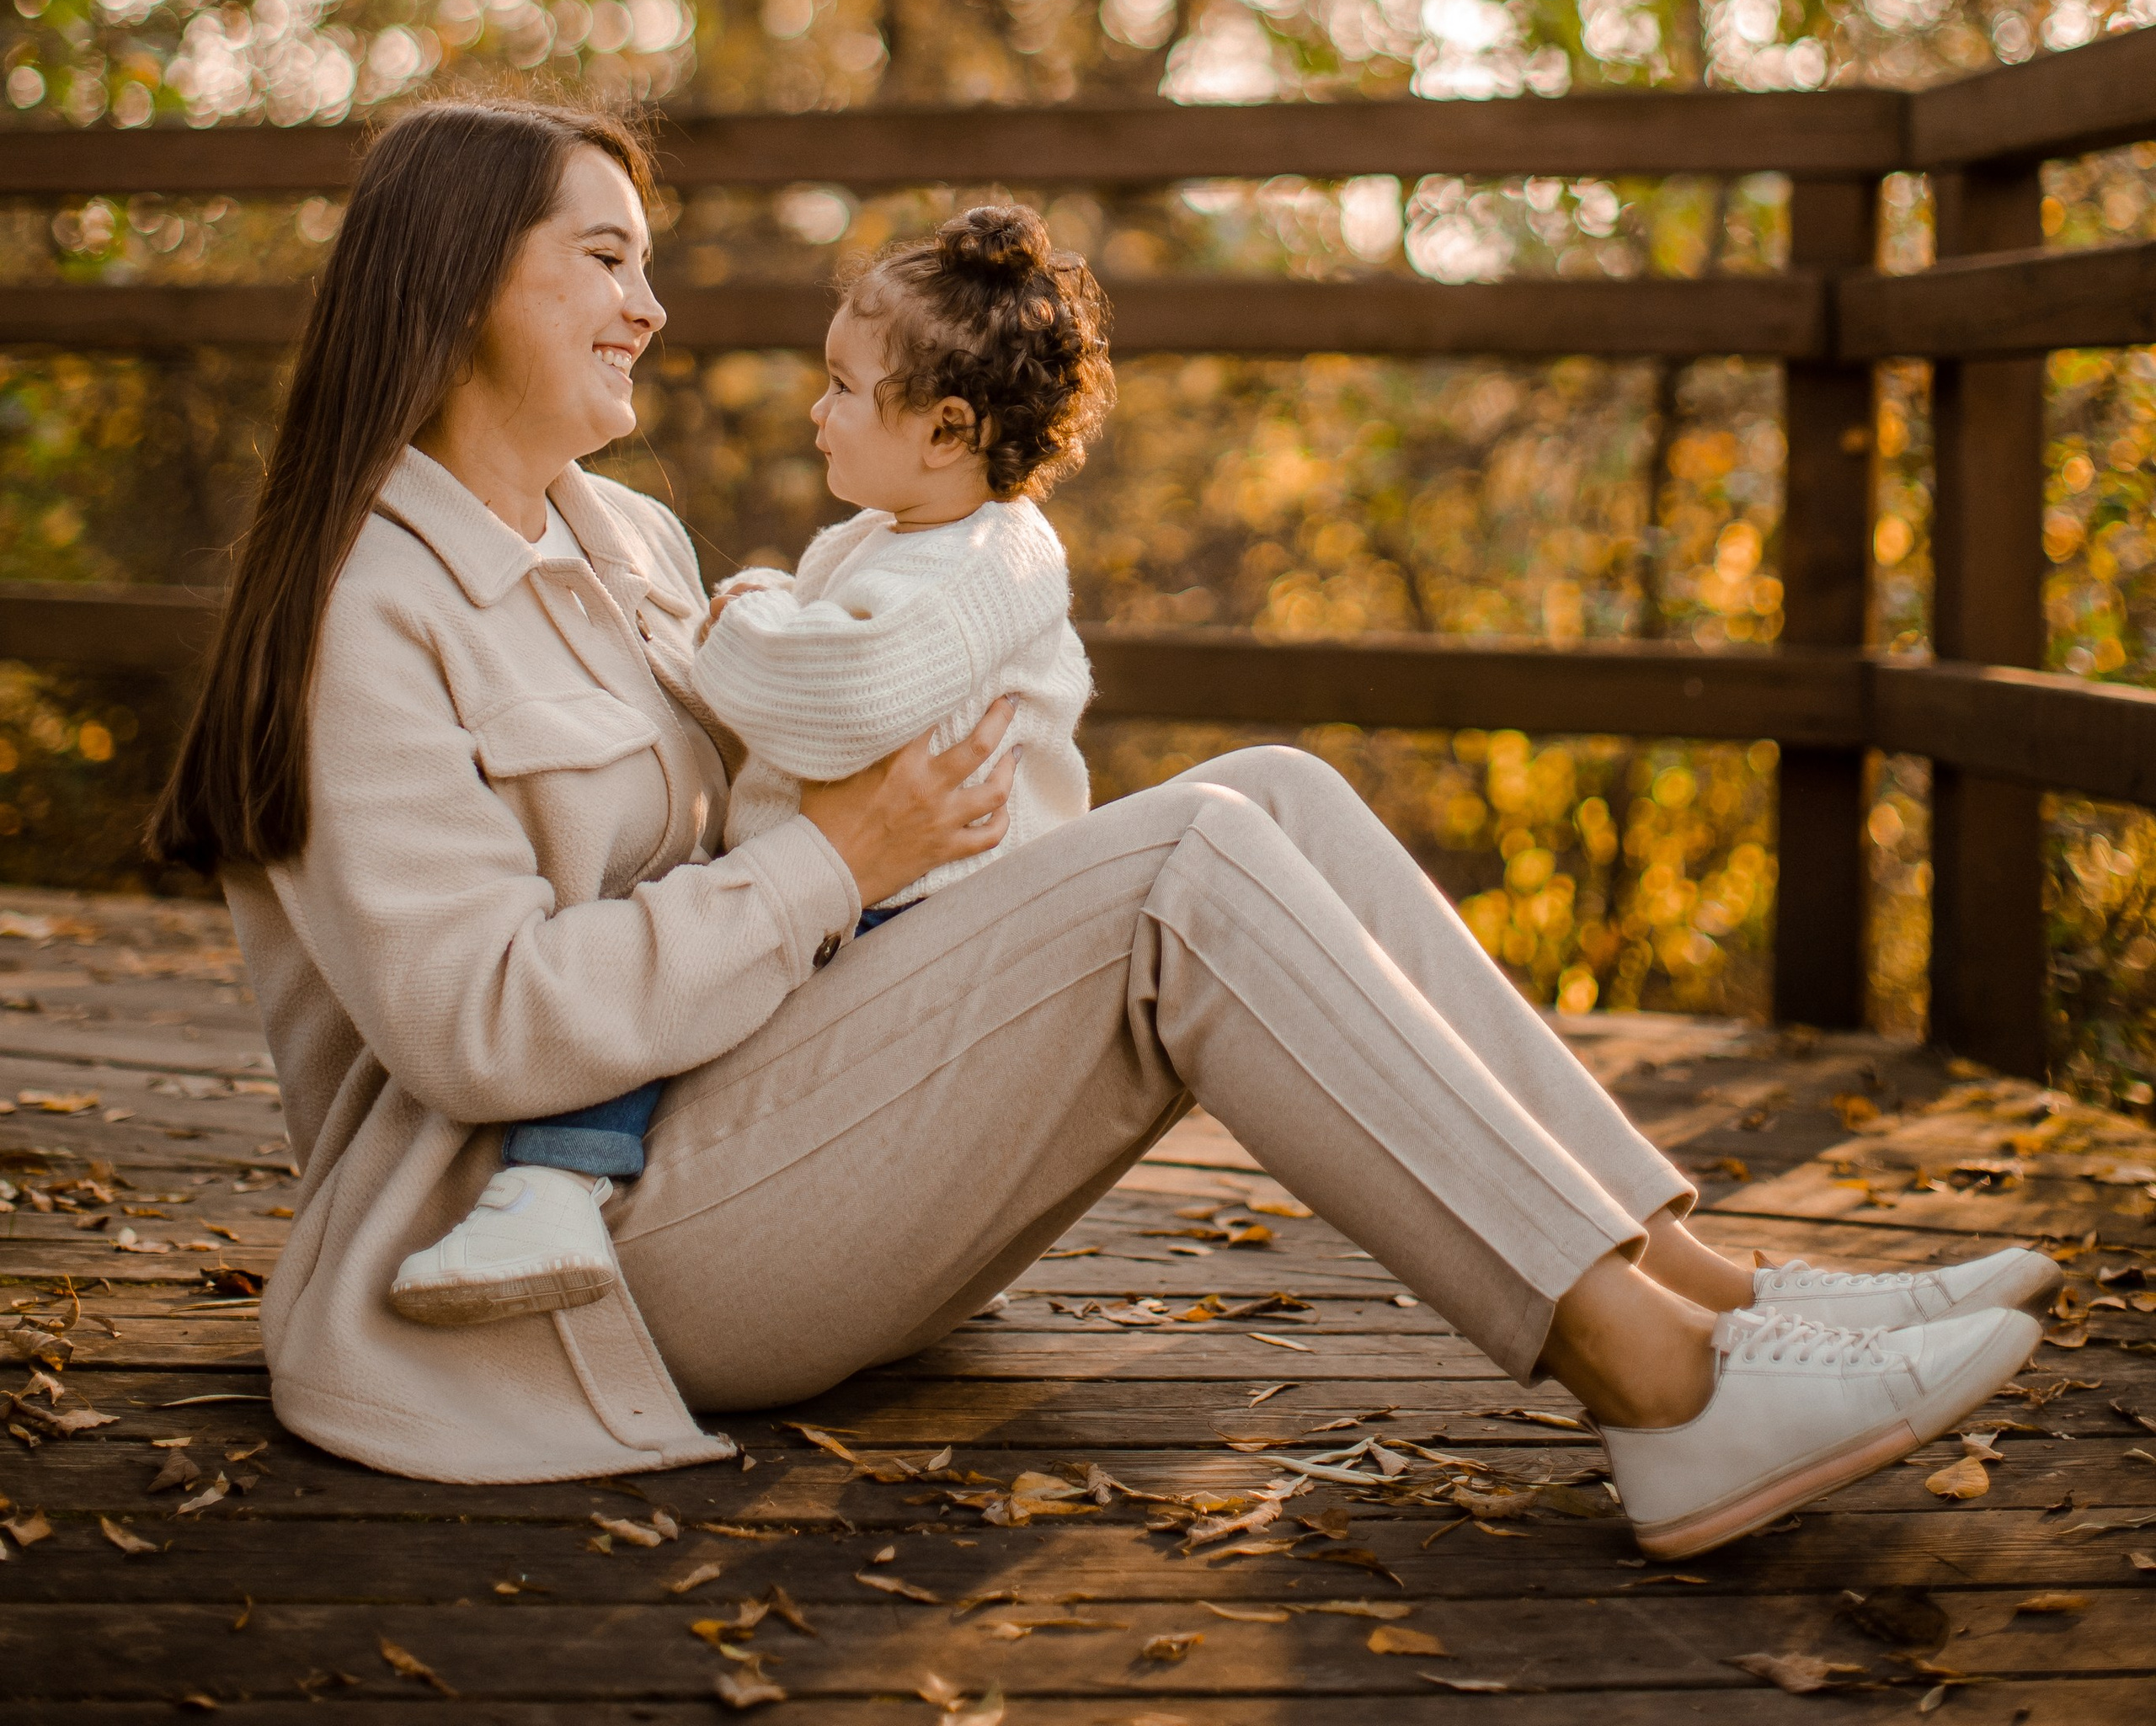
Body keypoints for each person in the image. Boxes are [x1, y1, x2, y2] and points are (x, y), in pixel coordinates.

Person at [147, 99, 2057, 1555]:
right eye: (603, 258)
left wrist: (863, 853)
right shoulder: (361, 608)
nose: (651, 304)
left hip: (760, 1121)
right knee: (1180, 869)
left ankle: (1727, 1302)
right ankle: (1656, 1390)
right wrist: (842, 865)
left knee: (1270, 797)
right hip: (567, 1256)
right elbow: (480, 1027)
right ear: (457, 281)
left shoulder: (621, 539)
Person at [388, 198, 1113, 1326]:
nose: (815, 409)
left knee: (692, 951)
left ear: (944, 430)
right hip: (852, 898)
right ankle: (552, 1192)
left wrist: (745, 616)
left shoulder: (997, 556)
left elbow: (833, 701)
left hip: (927, 917)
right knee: (677, 954)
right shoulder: (885, 538)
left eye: (840, 386)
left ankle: (552, 1185)